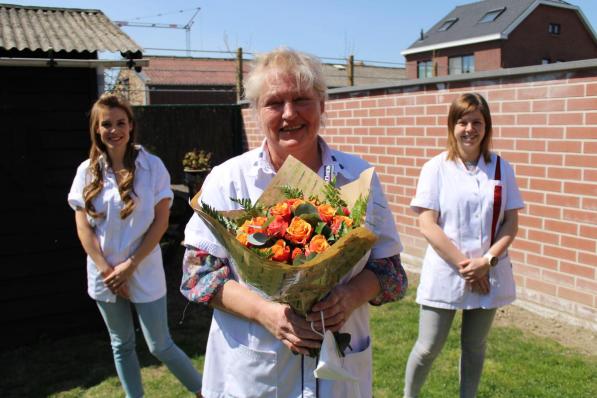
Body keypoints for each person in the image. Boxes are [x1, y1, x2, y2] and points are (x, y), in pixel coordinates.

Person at [180, 47, 408, 398]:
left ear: (322, 105)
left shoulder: (359, 178)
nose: (289, 113)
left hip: (339, 375)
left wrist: (350, 295)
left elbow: (391, 272)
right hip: (255, 375)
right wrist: (264, 312)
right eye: (274, 102)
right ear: (256, 111)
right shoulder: (227, 181)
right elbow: (199, 277)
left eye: (302, 99)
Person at [68, 93, 202, 398]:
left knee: (160, 345)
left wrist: (128, 267)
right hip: (105, 276)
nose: (114, 130)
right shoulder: (86, 172)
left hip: (143, 269)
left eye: (120, 123)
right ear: (96, 130)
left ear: (131, 126)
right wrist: (108, 271)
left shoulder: (152, 167)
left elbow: (160, 223)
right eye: (106, 124)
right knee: (121, 344)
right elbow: (83, 227)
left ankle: (205, 391)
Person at [403, 93, 524, 398]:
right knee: (428, 346)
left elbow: (511, 223)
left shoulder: (501, 168)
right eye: (463, 121)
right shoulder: (435, 168)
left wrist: (487, 261)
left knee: (474, 347)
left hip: (489, 273)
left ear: (487, 127)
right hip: (446, 272)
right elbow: (427, 223)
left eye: (477, 122)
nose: (470, 129)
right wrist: (466, 266)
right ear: (452, 126)